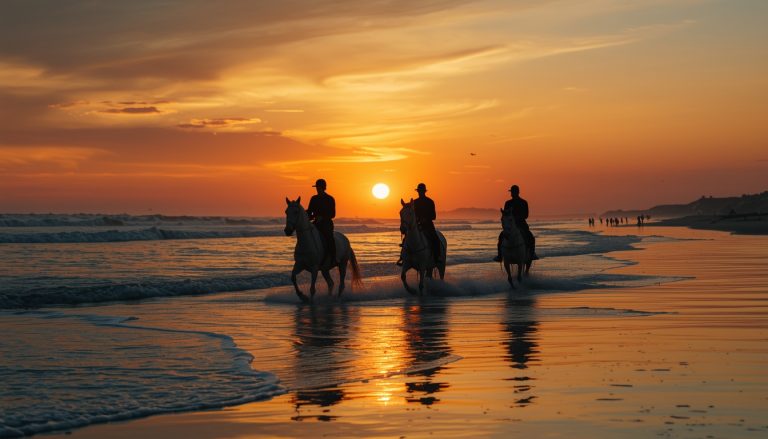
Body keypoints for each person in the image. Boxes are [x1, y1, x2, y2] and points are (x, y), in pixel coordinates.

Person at [493, 185, 538, 262]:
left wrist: (517, 218)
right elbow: (506, 214)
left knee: (530, 237)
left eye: (513, 192)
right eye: (512, 192)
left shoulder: (524, 202)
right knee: (501, 237)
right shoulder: (507, 203)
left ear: (517, 192)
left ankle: (532, 254)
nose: (512, 194)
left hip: (521, 224)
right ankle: (500, 256)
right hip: (510, 226)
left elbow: (526, 215)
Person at [306, 178, 336, 264]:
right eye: (317, 187)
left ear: (323, 188)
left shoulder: (330, 199)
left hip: (326, 224)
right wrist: (304, 215)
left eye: (318, 187)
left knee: (329, 238)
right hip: (316, 223)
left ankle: (333, 258)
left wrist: (322, 218)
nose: (317, 189)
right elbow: (309, 211)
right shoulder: (313, 198)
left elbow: (333, 214)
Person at [413, 183, 441, 264]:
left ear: (424, 192)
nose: (420, 192)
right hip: (417, 226)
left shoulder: (430, 202)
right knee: (406, 239)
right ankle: (403, 257)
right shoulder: (414, 202)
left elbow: (434, 216)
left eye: (421, 191)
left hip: (428, 226)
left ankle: (437, 257)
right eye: (419, 191)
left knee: (436, 240)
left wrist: (425, 219)